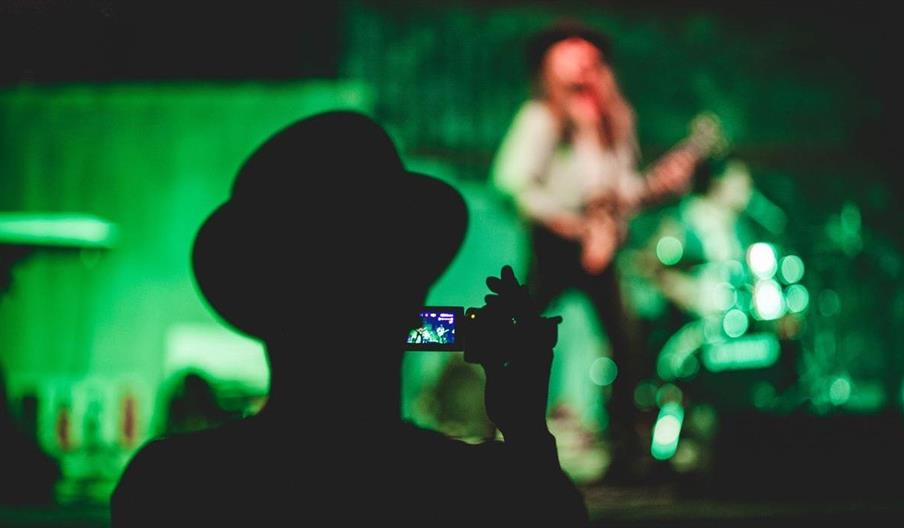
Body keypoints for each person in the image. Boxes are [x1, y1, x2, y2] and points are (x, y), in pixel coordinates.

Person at [111, 111, 588, 526]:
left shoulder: (169, 487)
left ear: (256, 304)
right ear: (412, 297)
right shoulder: (480, 492)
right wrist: (525, 430)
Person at [491, 20, 716, 483]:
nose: (582, 62)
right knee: (522, 339)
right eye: (570, 53)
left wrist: (659, 184)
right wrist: (569, 222)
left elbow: (622, 188)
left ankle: (628, 450)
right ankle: (509, 442)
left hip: (602, 243)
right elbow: (510, 181)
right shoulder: (541, 118)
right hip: (556, 245)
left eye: (590, 55)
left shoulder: (614, 121)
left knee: (626, 345)